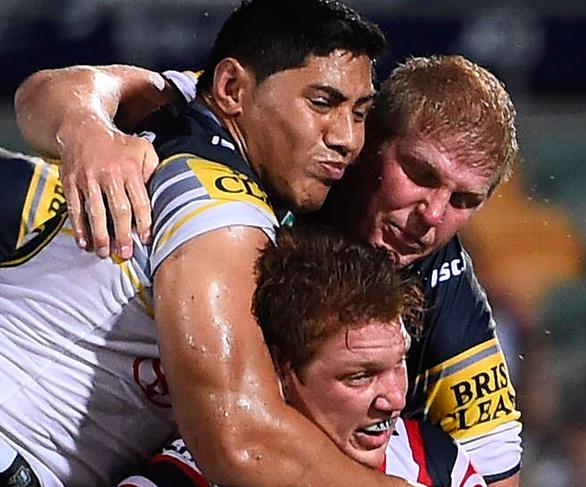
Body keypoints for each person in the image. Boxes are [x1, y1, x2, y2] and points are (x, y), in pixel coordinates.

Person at [14, 54, 522, 486]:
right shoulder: (254, 139)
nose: (432, 215)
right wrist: (87, 129)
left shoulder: (442, 281)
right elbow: (53, 90)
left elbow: (500, 471)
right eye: (420, 172)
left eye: (464, 199)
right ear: (367, 136)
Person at [1, 1, 401, 486]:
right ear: (233, 88)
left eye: (359, 112)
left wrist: (85, 126)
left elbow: (52, 88)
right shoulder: (218, 211)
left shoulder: (194, 104)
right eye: (321, 103)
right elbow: (241, 445)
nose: (346, 138)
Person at [117, 224, 487, 487]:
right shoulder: (184, 477)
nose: (394, 398)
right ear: (280, 371)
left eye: (399, 364)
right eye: (359, 376)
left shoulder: (439, 465)